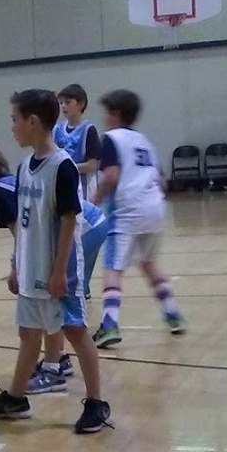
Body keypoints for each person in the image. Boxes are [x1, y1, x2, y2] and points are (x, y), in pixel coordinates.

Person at [0, 90, 111, 434]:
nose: (12, 127)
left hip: (58, 270)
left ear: (33, 121)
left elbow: (68, 221)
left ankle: (96, 403)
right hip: (31, 266)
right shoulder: (24, 167)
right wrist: (16, 265)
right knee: (28, 334)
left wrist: (59, 271)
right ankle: (17, 398)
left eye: (15, 119)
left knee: (76, 332)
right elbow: (23, 223)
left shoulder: (61, 166)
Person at [90, 89, 185, 348]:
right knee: (148, 262)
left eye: (106, 112)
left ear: (115, 114)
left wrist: (93, 202)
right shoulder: (145, 141)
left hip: (127, 210)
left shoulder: (110, 139)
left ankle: (109, 325)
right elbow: (162, 181)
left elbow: (111, 176)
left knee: (113, 268)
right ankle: (172, 313)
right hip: (155, 207)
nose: (104, 118)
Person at [53, 83, 102, 199]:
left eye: (68, 102)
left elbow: (92, 165)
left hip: (83, 189)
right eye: (61, 103)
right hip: (62, 187)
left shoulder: (88, 129)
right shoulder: (56, 130)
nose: (63, 106)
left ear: (81, 104)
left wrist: (67, 168)